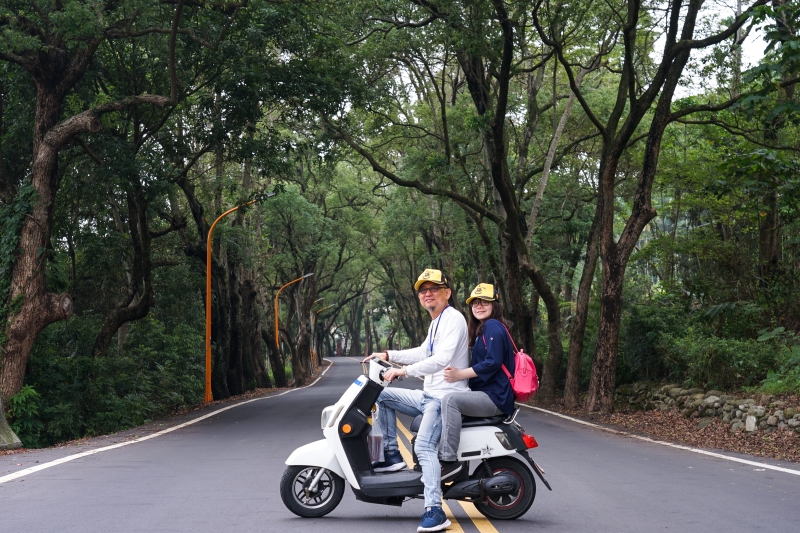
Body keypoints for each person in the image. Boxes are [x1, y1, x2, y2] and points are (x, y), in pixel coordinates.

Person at [363, 268, 469, 533]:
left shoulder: (453, 318)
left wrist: (403, 371)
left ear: (447, 292)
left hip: (444, 399)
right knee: (381, 395)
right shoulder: (437, 322)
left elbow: (441, 359)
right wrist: (389, 353)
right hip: (428, 395)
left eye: (433, 288)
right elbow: (423, 351)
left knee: (423, 448)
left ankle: (435, 509)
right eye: (423, 290)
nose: (428, 293)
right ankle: (390, 455)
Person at [439, 283, 515, 473]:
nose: (479, 306)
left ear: (495, 305)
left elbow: (492, 362)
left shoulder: (492, 326)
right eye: (475, 304)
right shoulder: (483, 329)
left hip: (495, 397)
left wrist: (459, 374)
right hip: (489, 394)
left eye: (484, 302)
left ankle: (448, 462)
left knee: (450, 401)